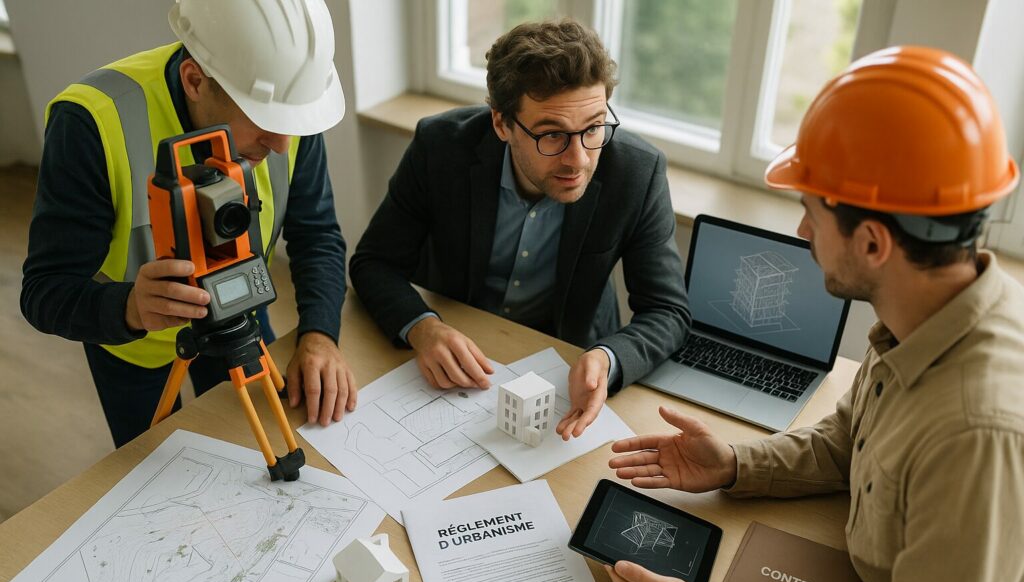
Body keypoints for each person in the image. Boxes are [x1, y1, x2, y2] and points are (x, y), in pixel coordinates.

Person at [604, 45, 1024, 582]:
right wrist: (737, 465)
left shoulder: (977, 430)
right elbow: (851, 441)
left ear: (874, 242)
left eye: (812, 211)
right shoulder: (928, 309)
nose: (801, 232)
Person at [21, 0, 358, 448]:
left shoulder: (287, 111)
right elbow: (44, 291)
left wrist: (319, 334)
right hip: (131, 349)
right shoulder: (92, 125)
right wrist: (130, 308)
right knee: (160, 477)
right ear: (195, 80)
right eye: (263, 119)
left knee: (264, 450)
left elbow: (317, 235)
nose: (281, 143)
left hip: (241, 319)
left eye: (291, 123)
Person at [349, 19, 690, 440]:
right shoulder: (440, 148)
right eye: (551, 135)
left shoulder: (637, 172)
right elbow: (373, 263)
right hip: (458, 358)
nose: (578, 160)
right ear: (501, 123)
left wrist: (607, 357)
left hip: (568, 363)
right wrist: (423, 327)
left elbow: (668, 311)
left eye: (593, 128)